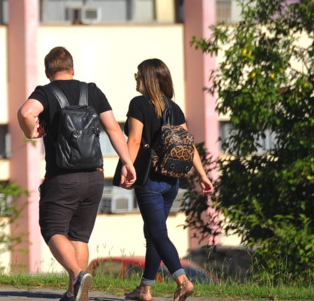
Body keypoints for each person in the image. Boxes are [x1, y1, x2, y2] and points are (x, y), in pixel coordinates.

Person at [17, 46, 137, 301]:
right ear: (72, 70)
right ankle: (74, 292)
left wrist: (30, 132)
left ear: (48, 73)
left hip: (62, 177)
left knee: (52, 229)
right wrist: (127, 162)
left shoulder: (45, 93)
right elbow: (114, 129)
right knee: (79, 236)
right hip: (94, 175)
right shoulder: (91, 91)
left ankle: (78, 273)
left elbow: (26, 113)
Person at [122, 58, 214, 301]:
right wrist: (203, 175)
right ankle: (145, 289)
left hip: (149, 180)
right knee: (153, 232)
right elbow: (188, 145)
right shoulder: (174, 108)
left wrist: (126, 168)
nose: (136, 79)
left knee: (157, 233)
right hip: (172, 181)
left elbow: (133, 140)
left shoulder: (139, 104)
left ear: (148, 79)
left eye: (138, 75)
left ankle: (182, 280)